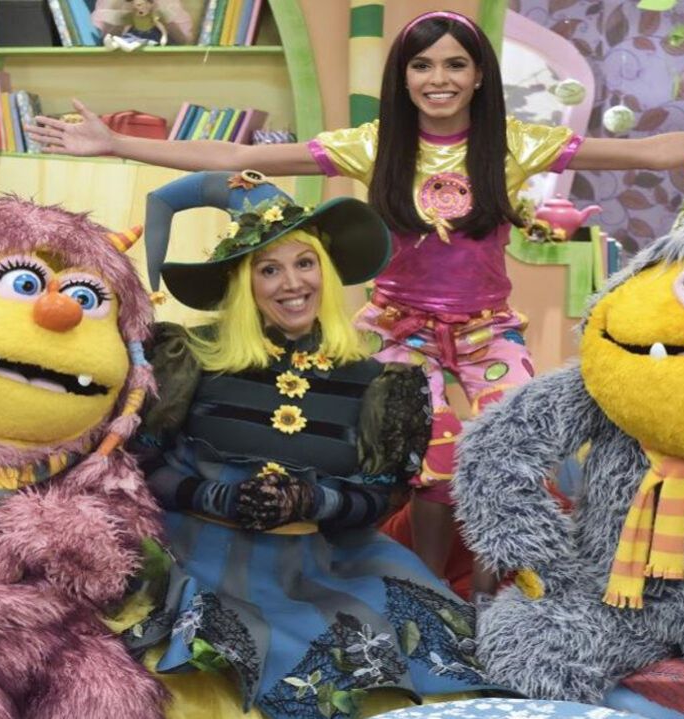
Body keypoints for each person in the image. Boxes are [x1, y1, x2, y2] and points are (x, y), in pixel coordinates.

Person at [28, 10, 684, 592]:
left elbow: (650, 151)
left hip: (487, 332)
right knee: (419, 460)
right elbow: (238, 156)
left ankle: (497, 589)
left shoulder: (517, 144)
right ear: (404, 78)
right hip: (398, 331)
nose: (438, 78)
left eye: (454, 65)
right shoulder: (368, 146)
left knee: (511, 457)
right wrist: (116, 143)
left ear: (476, 77)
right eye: (422, 65)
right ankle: (426, 585)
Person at [126, 170, 502, 719]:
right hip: (189, 562)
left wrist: (312, 501)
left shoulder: (378, 382)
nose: (292, 283)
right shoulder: (191, 355)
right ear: (244, 283)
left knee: (444, 679)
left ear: (325, 270)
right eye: (269, 269)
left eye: (305, 263)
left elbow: (379, 496)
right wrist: (217, 498)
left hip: (319, 571)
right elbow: (140, 463)